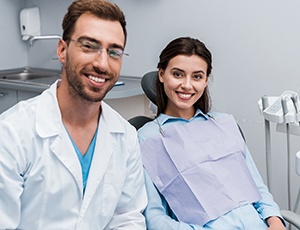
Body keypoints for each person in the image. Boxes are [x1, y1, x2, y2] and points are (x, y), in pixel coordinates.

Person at [0, 0, 147, 229]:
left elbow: (127, 217)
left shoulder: (125, 137)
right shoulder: (11, 134)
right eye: (89, 46)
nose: (102, 63)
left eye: (114, 52)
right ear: (62, 50)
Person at [138, 37, 285, 230]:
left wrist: (275, 220)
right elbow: (155, 218)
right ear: (161, 74)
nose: (187, 85)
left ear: (206, 80)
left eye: (197, 77)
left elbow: (257, 187)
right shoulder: (147, 139)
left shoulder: (223, 123)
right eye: (178, 74)